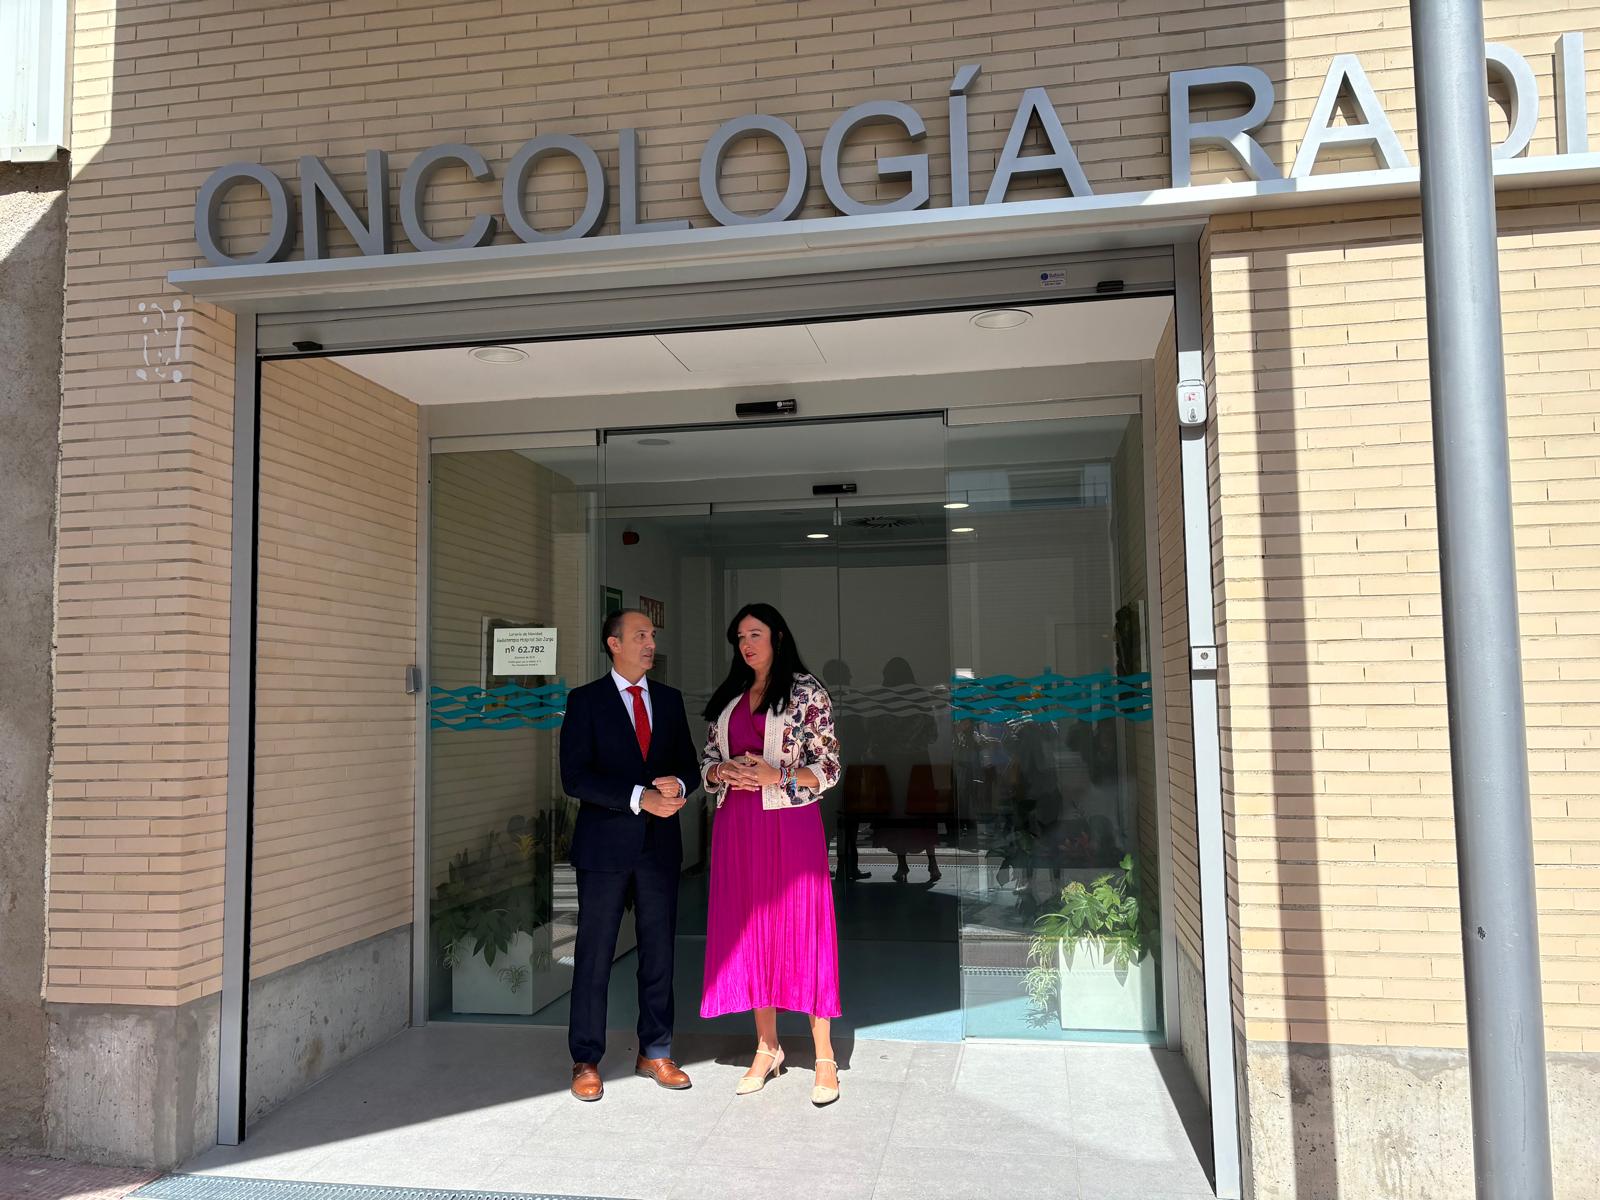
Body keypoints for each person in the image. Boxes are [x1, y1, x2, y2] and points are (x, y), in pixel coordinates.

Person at [699, 604, 844, 1106]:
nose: (746, 644)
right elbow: (709, 760)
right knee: (752, 931)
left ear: (778, 636)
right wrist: (721, 774)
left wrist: (774, 776)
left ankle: (824, 1057)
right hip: (738, 826)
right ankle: (768, 1047)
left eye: (755, 634)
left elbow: (828, 768)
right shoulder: (732, 695)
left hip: (790, 825)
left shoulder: (806, 692)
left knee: (803, 930)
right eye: (739, 636)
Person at [559, 608, 700, 1102]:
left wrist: (678, 783)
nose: (650, 643)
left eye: (653, 635)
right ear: (612, 643)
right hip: (605, 848)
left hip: (659, 848)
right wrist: (642, 796)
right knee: (594, 955)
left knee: (659, 952)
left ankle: (655, 1050)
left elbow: (690, 764)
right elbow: (575, 778)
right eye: (640, 635)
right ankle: (586, 1059)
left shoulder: (669, 698)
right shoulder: (585, 702)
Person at [869, 657, 941, 883]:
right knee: (922, 810)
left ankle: (902, 866)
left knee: (897, 811)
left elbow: (875, 732)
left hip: (893, 763)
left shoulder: (882, 699)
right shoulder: (920, 697)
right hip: (917, 762)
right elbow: (933, 734)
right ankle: (932, 863)